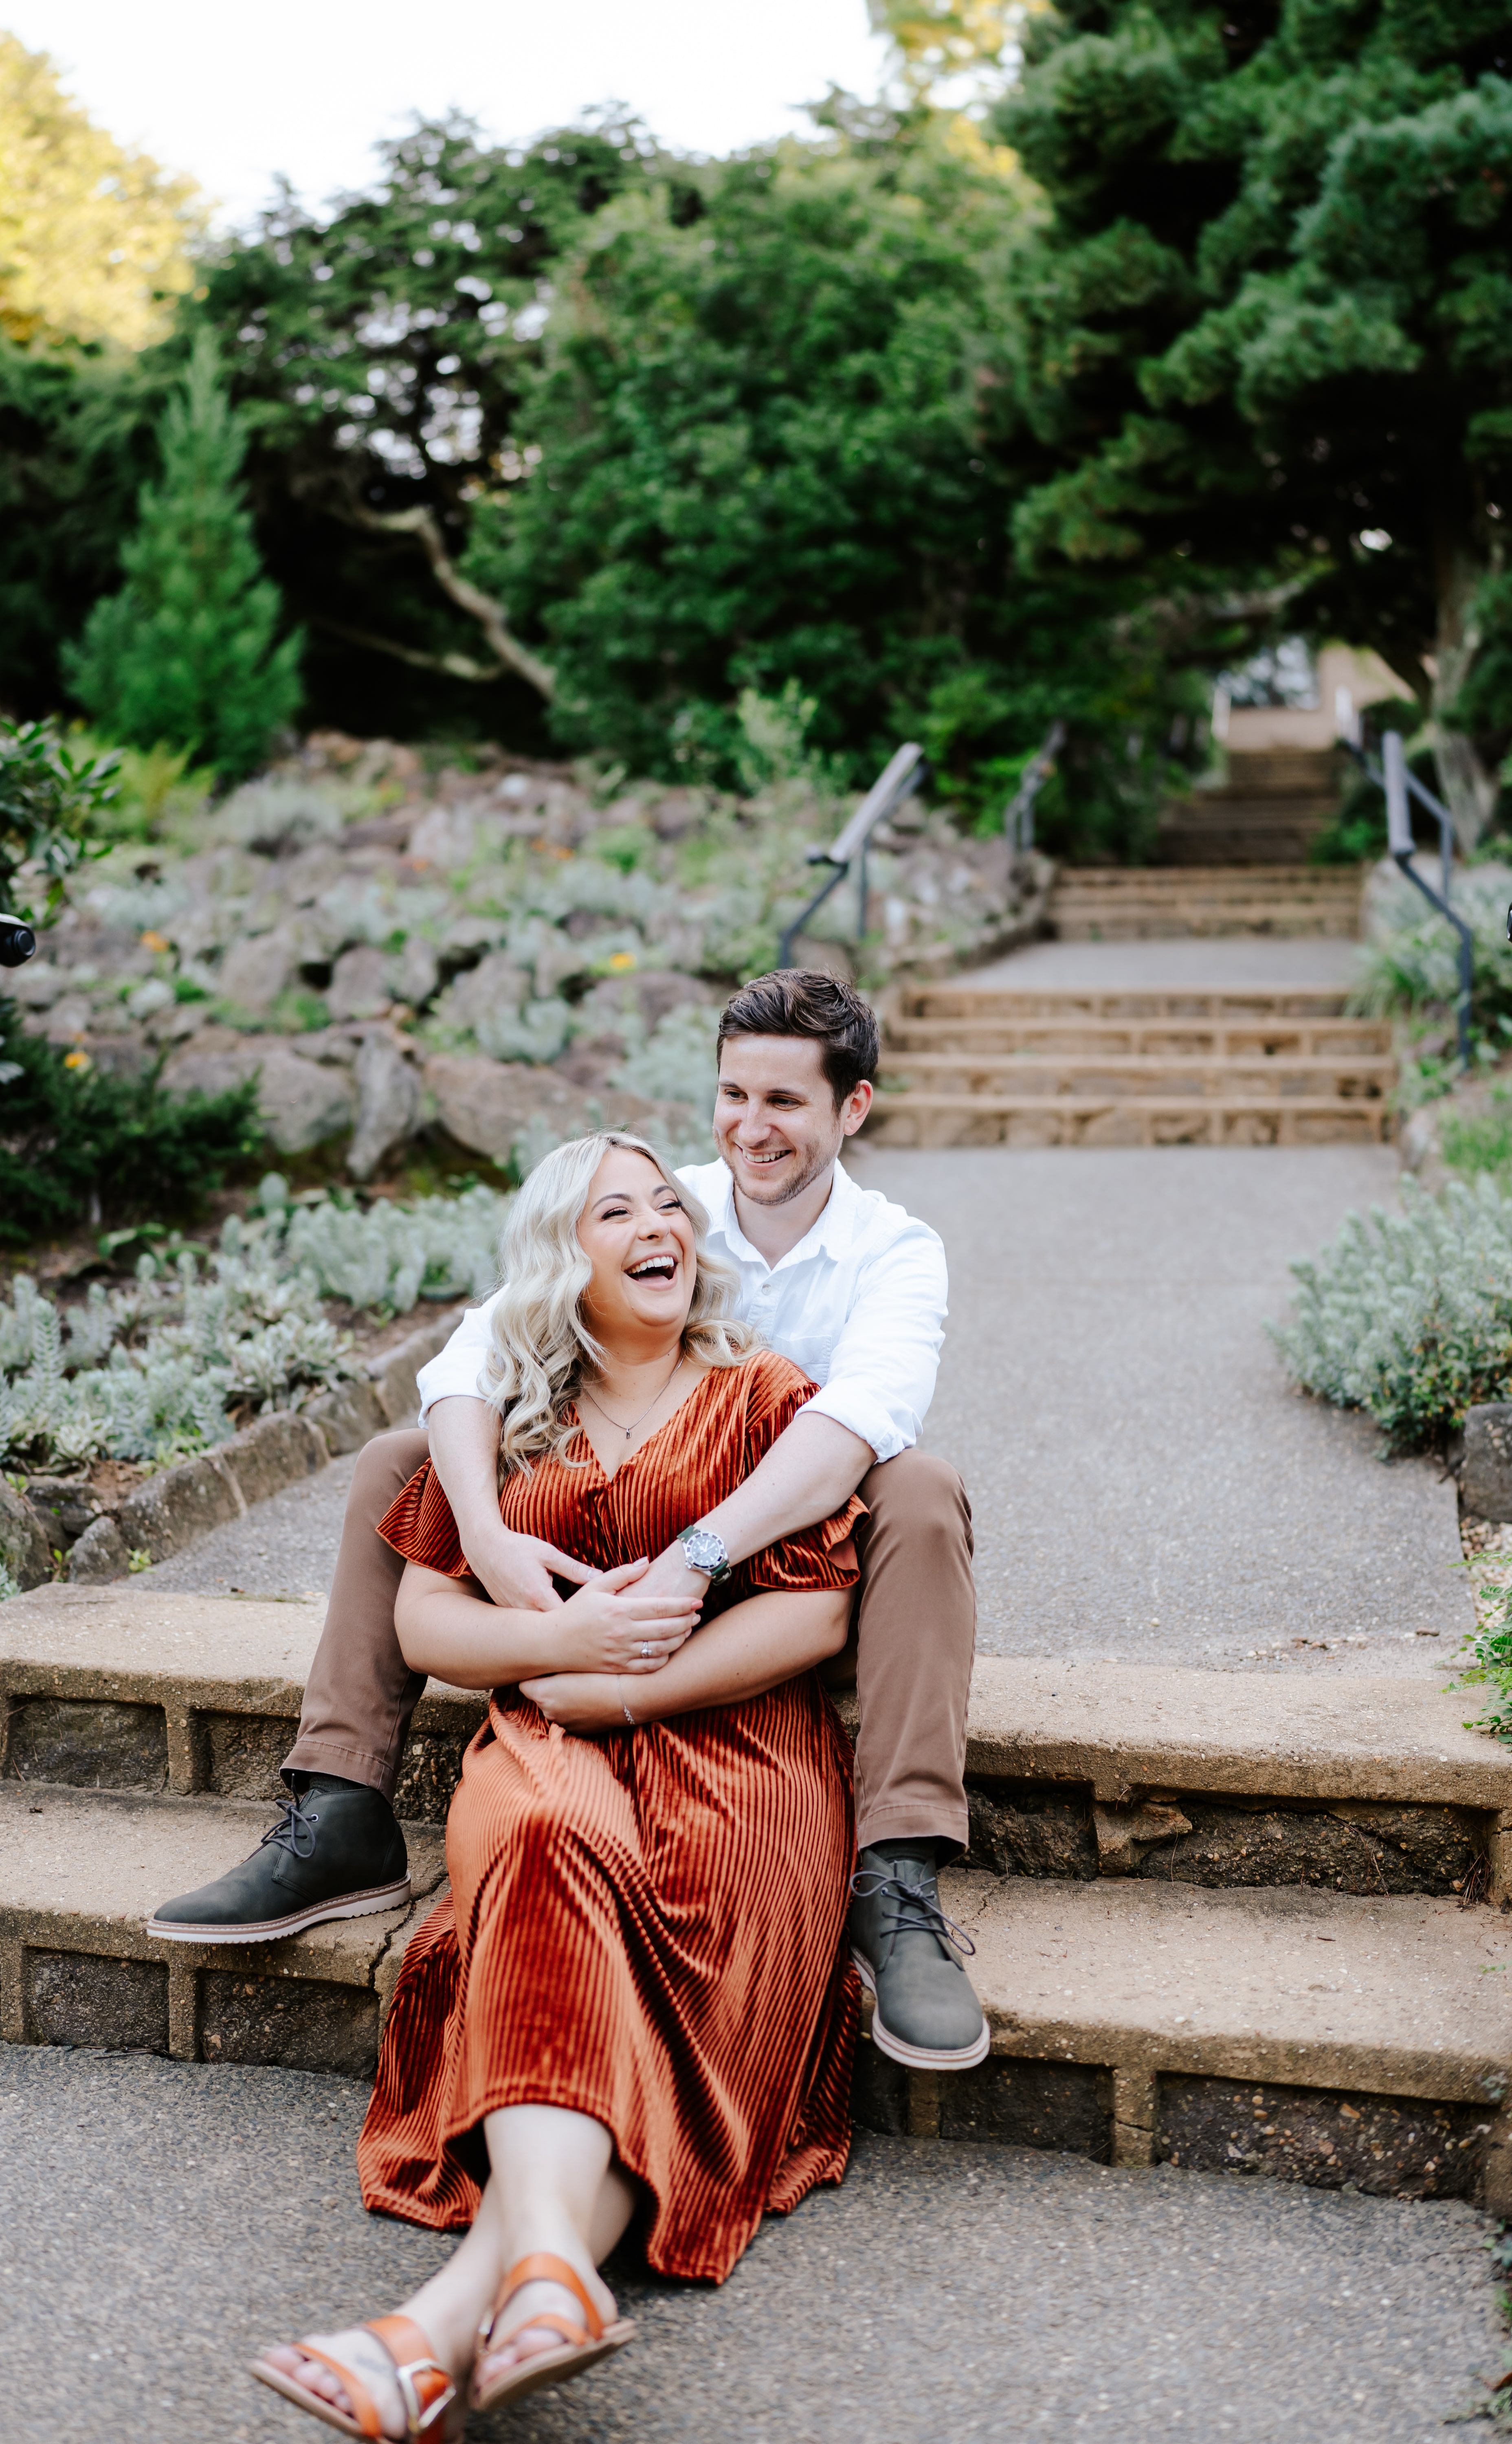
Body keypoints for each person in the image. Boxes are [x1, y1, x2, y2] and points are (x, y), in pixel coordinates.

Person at [151, 969, 983, 2070]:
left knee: (923, 1490)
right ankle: (342, 1804)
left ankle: (899, 1873)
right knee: (400, 1460)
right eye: (735, 1095)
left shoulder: (896, 1251)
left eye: (785, 1103)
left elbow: (858, 1422)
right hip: (606, 1531)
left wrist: (699, 1557)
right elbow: (467, 1358)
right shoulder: (661, 1207)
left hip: (785, 1554)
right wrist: (488, 1536)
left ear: (853, 1109)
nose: (751, 1127)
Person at [250, 1130, 864, 2435]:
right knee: (535, 1844)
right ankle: (539, 2287)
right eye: (616, 1212)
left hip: (743, 1753)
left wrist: (634, 1682)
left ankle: (437, 2325)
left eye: (669, 1206)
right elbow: (428, 1623)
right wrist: (557, 1648)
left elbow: (815, 1615)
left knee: (666, 1997)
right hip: (548, 1736)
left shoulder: (766, 1394)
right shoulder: (512, 1414)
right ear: (559, 1257)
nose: (662, 1226)